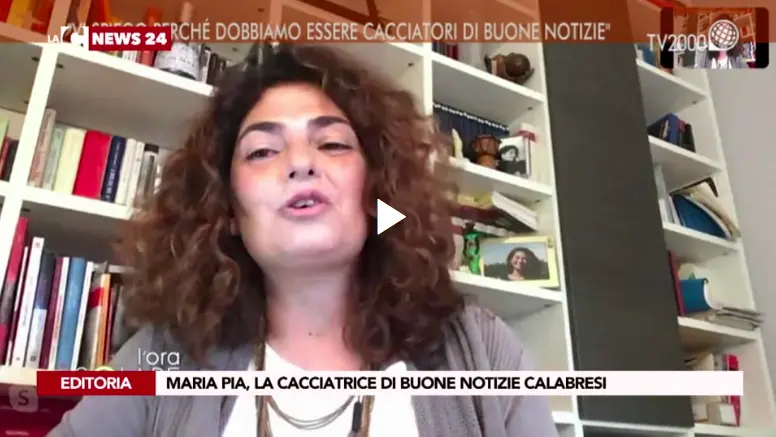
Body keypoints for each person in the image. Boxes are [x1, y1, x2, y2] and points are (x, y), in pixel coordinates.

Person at [47, 44, 558, 437]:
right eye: (262, 152)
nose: (300, 162)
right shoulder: (163, 356)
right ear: (228, 211)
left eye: (332, 143)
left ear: (375, 193)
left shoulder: (481, 349)